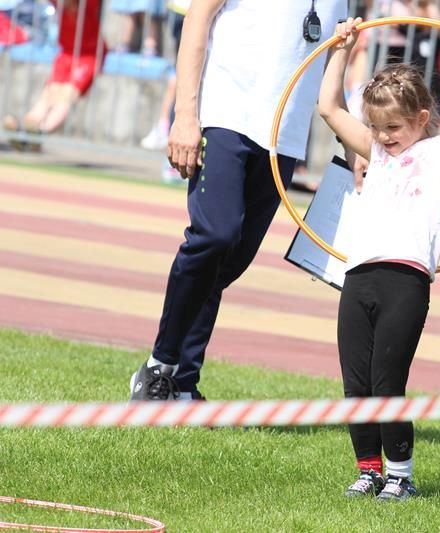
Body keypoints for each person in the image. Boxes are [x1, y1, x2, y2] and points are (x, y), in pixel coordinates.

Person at [318, 17, 440, 501]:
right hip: (359, 275)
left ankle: (401, 476)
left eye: (394, 127)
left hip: (405, 281)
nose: (383, 137)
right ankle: (368, 470)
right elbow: (328, 108)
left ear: (422, 119)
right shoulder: (374, 151)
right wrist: (342, 48)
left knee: (387, 381)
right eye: (376, 127)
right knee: (356, 383)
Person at [129, 0, 347, 401]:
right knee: (215, 236)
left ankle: (183, 384)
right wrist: (185, 115)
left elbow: (330, 76)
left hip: (283, 138)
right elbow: (197, 18)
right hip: (225, 114)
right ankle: (159, 367)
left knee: (231, 260)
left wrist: (354, 146)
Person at [2, 0, 104, 142]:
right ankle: (27, 127)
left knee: (66, 96)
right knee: (49, 92)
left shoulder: (87, 5)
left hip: (89, 55)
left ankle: (41, 131)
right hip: (66, 53)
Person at [140, 0, 191, 184]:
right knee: (186, 77)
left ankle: (174, 159)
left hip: (185, 10)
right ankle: (174, 160)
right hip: (190, 11)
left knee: (183, 76)